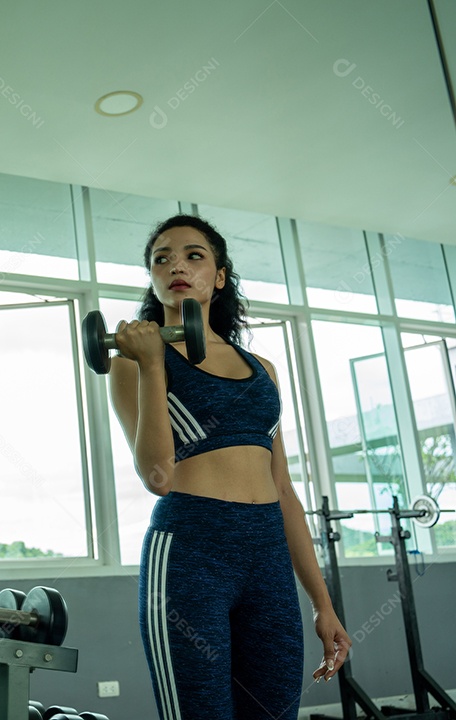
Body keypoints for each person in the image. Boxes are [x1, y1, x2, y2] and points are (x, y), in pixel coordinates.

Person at [107, 215, 351, 719]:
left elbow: (283, 489)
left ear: (219, 276)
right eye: (162, 257)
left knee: (275, 711)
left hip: (267, 556)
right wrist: (153, 363)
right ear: (152, 277)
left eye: (194, 255)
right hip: (191, 548)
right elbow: (158, 476)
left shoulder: (264, 372)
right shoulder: (132, 359)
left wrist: (322, 604)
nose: (177, 264)